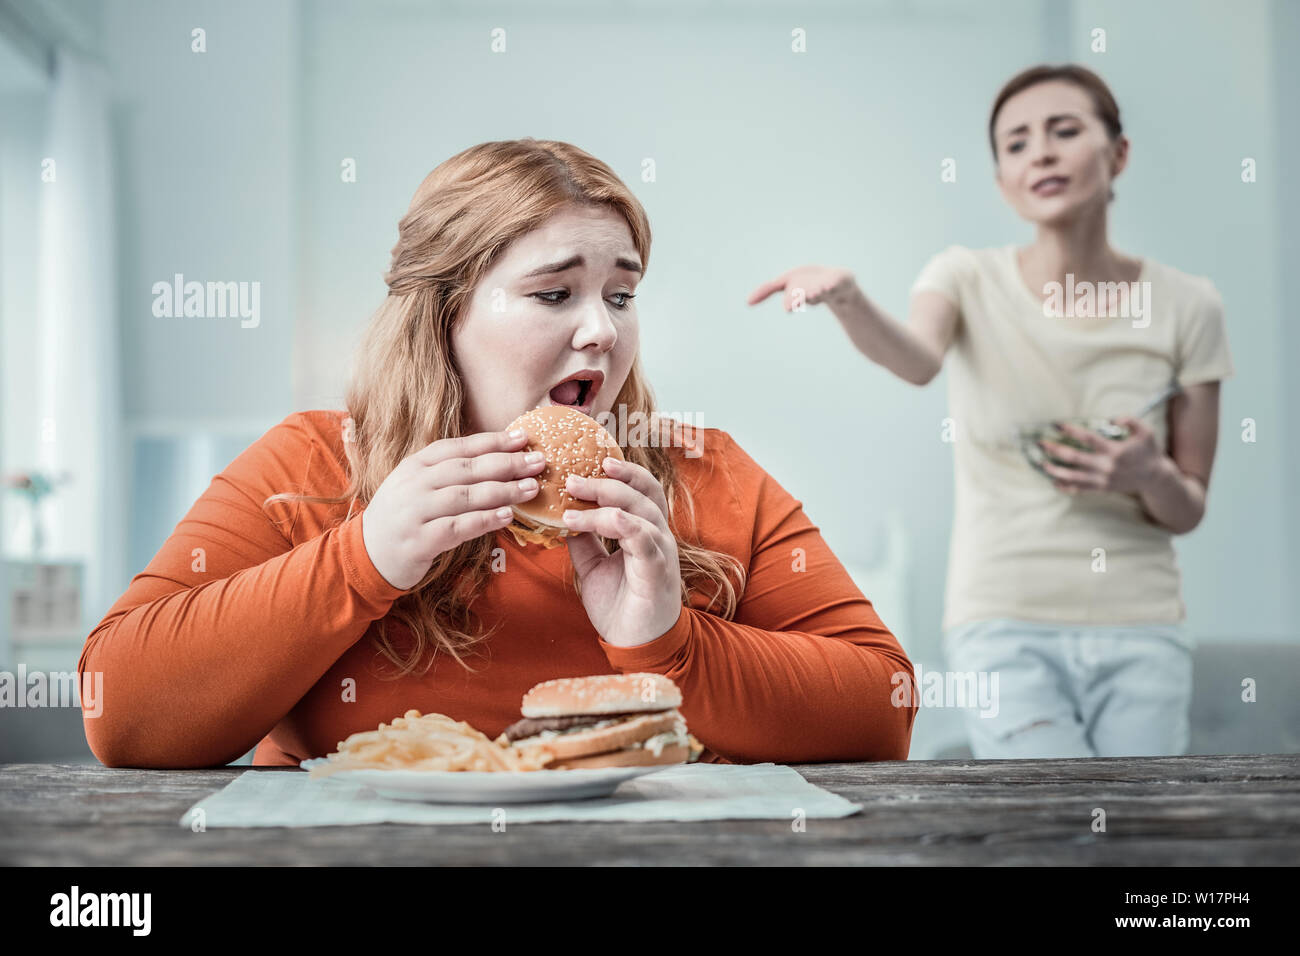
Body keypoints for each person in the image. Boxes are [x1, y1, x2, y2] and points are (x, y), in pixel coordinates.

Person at [79, 138, 915, 769]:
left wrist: (668, 644)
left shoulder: (701, 473)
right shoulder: (313, 465)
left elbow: (886, 708)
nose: (603, 331)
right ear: (440, 316)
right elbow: (120, 713)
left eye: (622, 296)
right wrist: (360, 560)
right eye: (555, 294)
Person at [748, 65, 1233, 759]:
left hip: (1142, 624)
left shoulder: (1191, 304)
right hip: (1001, 621)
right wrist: (847, 299)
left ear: (1117, 154)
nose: (1040, 152)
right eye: (1016, 143)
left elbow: (1188, 506)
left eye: (1064, 132)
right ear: (1003, 179)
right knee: (1045, 822)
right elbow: (916, 359)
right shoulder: (965, 277)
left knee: (1138, 828)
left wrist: (1146, 472)